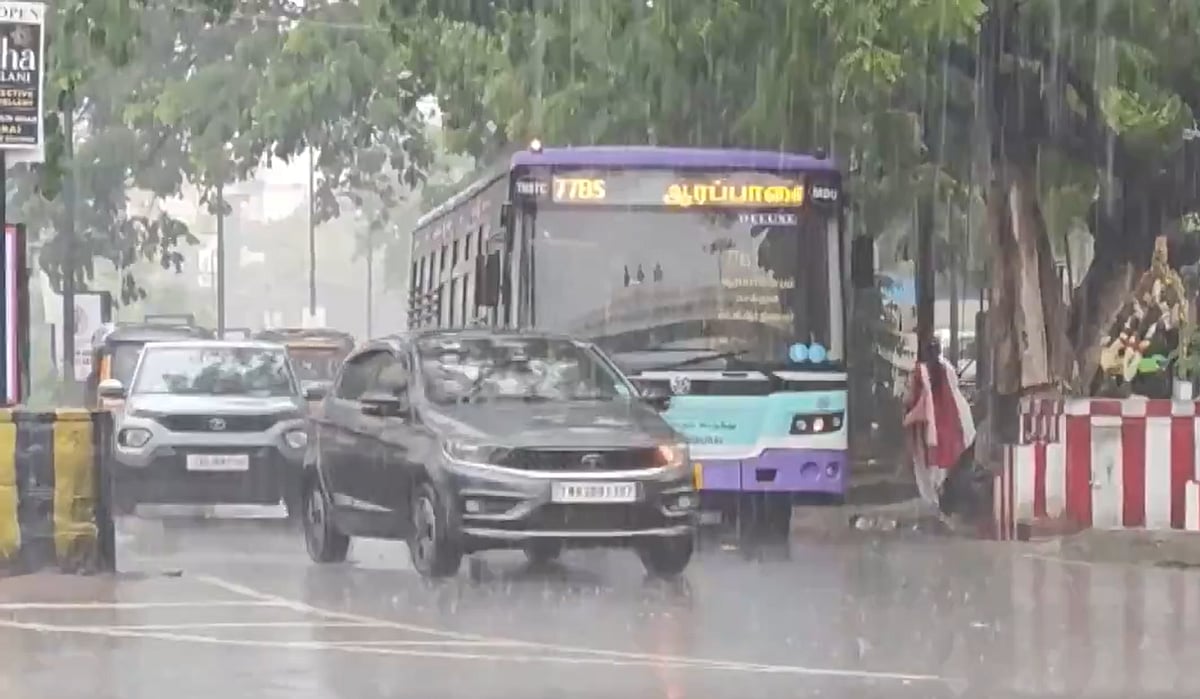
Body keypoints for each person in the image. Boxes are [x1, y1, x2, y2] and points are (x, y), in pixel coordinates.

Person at [902, 339, 976, 520]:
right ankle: (944, 508)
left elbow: (915, 401)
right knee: (945, 471)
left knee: (929, 472)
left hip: (933, 432)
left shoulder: (921, 374)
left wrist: (908, 417)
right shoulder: (947, 370)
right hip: (955, 430)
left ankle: (938, 507)